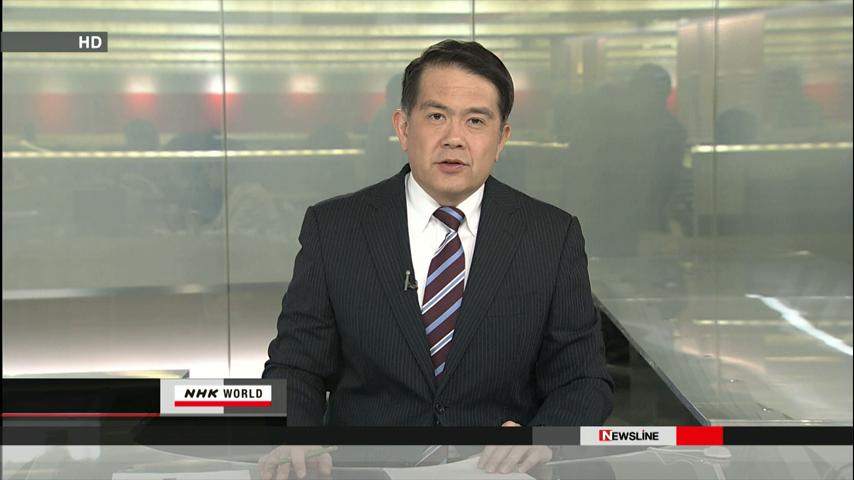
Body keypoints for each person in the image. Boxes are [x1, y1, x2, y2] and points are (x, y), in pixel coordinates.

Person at [261, 39, 613, 479]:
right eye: (436, 116)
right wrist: (296, 435)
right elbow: (295, 366)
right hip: (367, 472)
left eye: (476, 120)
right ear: (403, 128)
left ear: (501, 139)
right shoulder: (335, 228)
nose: (454, 138)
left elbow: (583, 380)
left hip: (495, 473)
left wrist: (541, 437)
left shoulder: (550, 236)